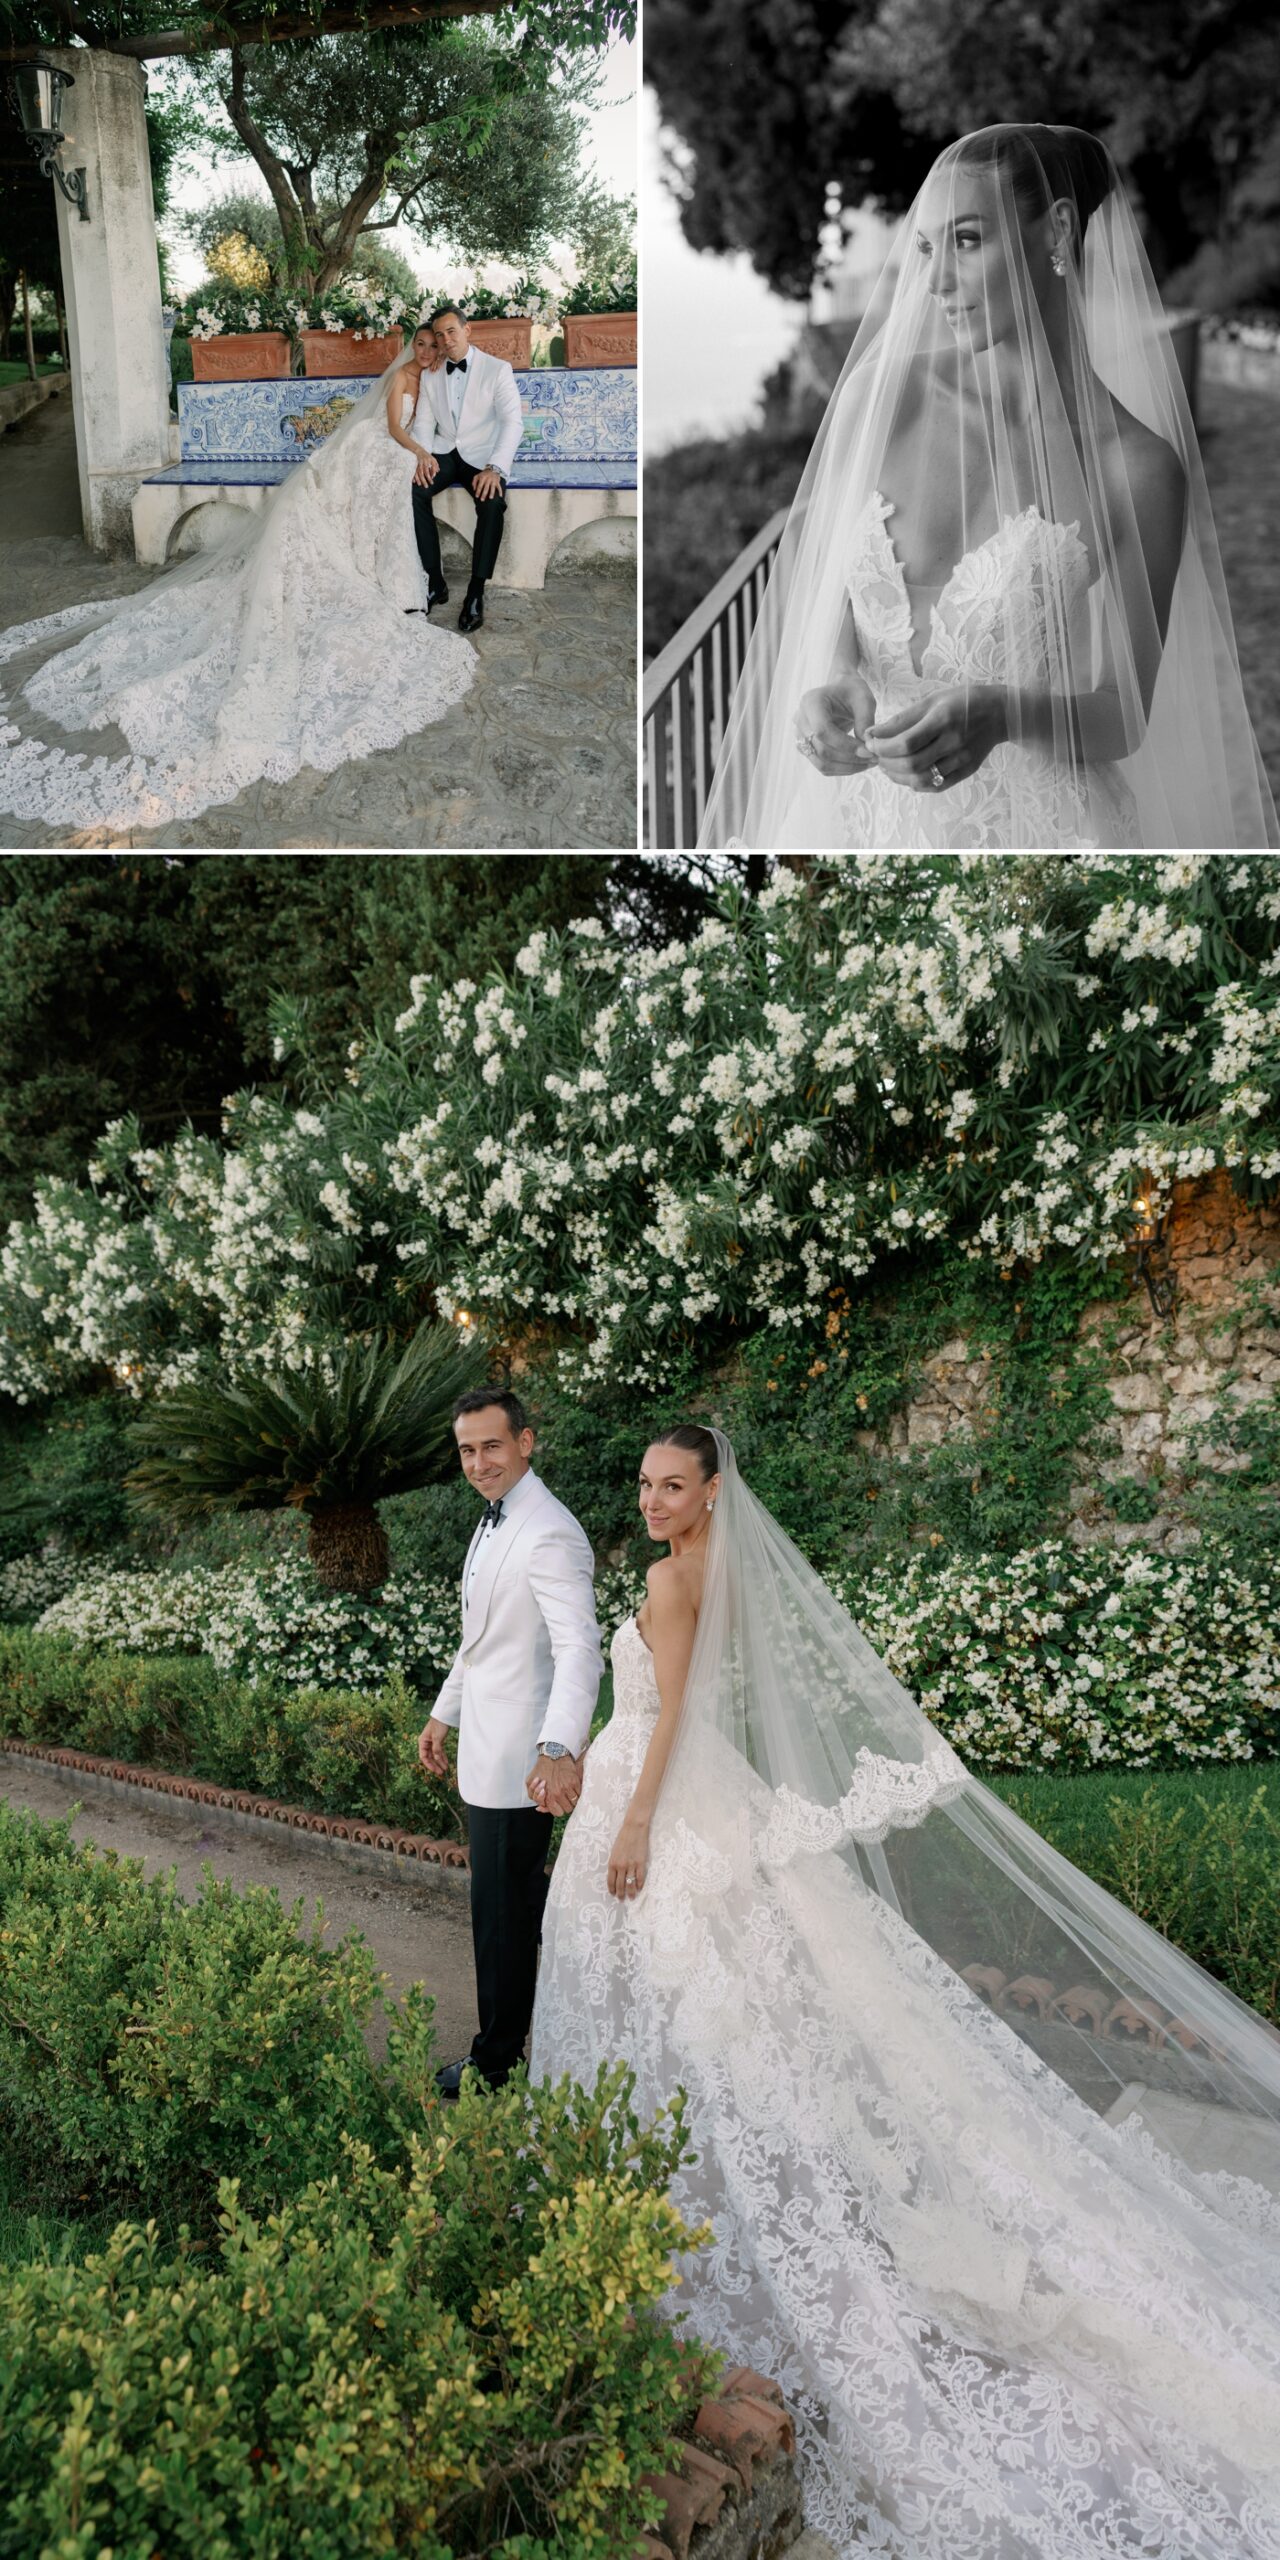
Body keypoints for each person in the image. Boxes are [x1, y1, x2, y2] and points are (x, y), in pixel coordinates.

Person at [531, 1423, 1280, 2556]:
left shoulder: (670, 1580)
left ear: (709, 1492)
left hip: (655, 1797)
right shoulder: (701, 1566)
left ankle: (675, 2185)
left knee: (689, 2006)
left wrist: (631, 1818)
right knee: (702, 2008)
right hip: (661, 1790)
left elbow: (671, 1712)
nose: (648, 1498)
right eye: (642, 1483)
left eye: (669, 1484)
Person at [697, 124, 1278, 850]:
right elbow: (834, 584)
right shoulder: (884, 396)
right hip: (855, 819)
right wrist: (837, 676)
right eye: (925, 247)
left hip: (1041, 829)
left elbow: (1123, 713)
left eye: (967, 241)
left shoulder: (1138, 467)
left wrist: (1002, 716)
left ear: (1057, 230)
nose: (935, 281)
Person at [0, 334, 475, 836]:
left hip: (404, 451)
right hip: (384, 445)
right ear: (414, 347)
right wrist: (420, 451)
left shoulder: (436, 376)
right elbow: (396, 428)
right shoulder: (404, 376)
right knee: (389, 470)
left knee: (397, 476)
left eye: (433, 345)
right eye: (421, 343)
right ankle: (371, 566)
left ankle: (382, 567)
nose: (426, 350)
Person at [419, 1389, 602, 2098]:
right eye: (466, 1450)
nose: (478, 1462)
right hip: (485, 1749)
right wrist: (445, 1714)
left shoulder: (549, 1530)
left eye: (491, 1446)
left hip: (523, 1763)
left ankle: (495, 2064)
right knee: (503, 1911)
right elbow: (481, 1642)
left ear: (526, 1442)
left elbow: (579, 1648)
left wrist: (557, 1748)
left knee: (504, 1919)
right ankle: (514, 2047)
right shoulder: (495, 1520)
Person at [393, 303, 524, 632]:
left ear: (467, 330)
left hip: (483, 457)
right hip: (445, 452)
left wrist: (495, 467)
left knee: (493, 503)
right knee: (413, 491)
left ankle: (476, 593)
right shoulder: (432, 372)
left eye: (452, 331)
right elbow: (423, 421)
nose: (446, 339)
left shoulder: (497, 369)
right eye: (440, 334)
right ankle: (435, 582)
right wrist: (423, 456)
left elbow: (512, 422)